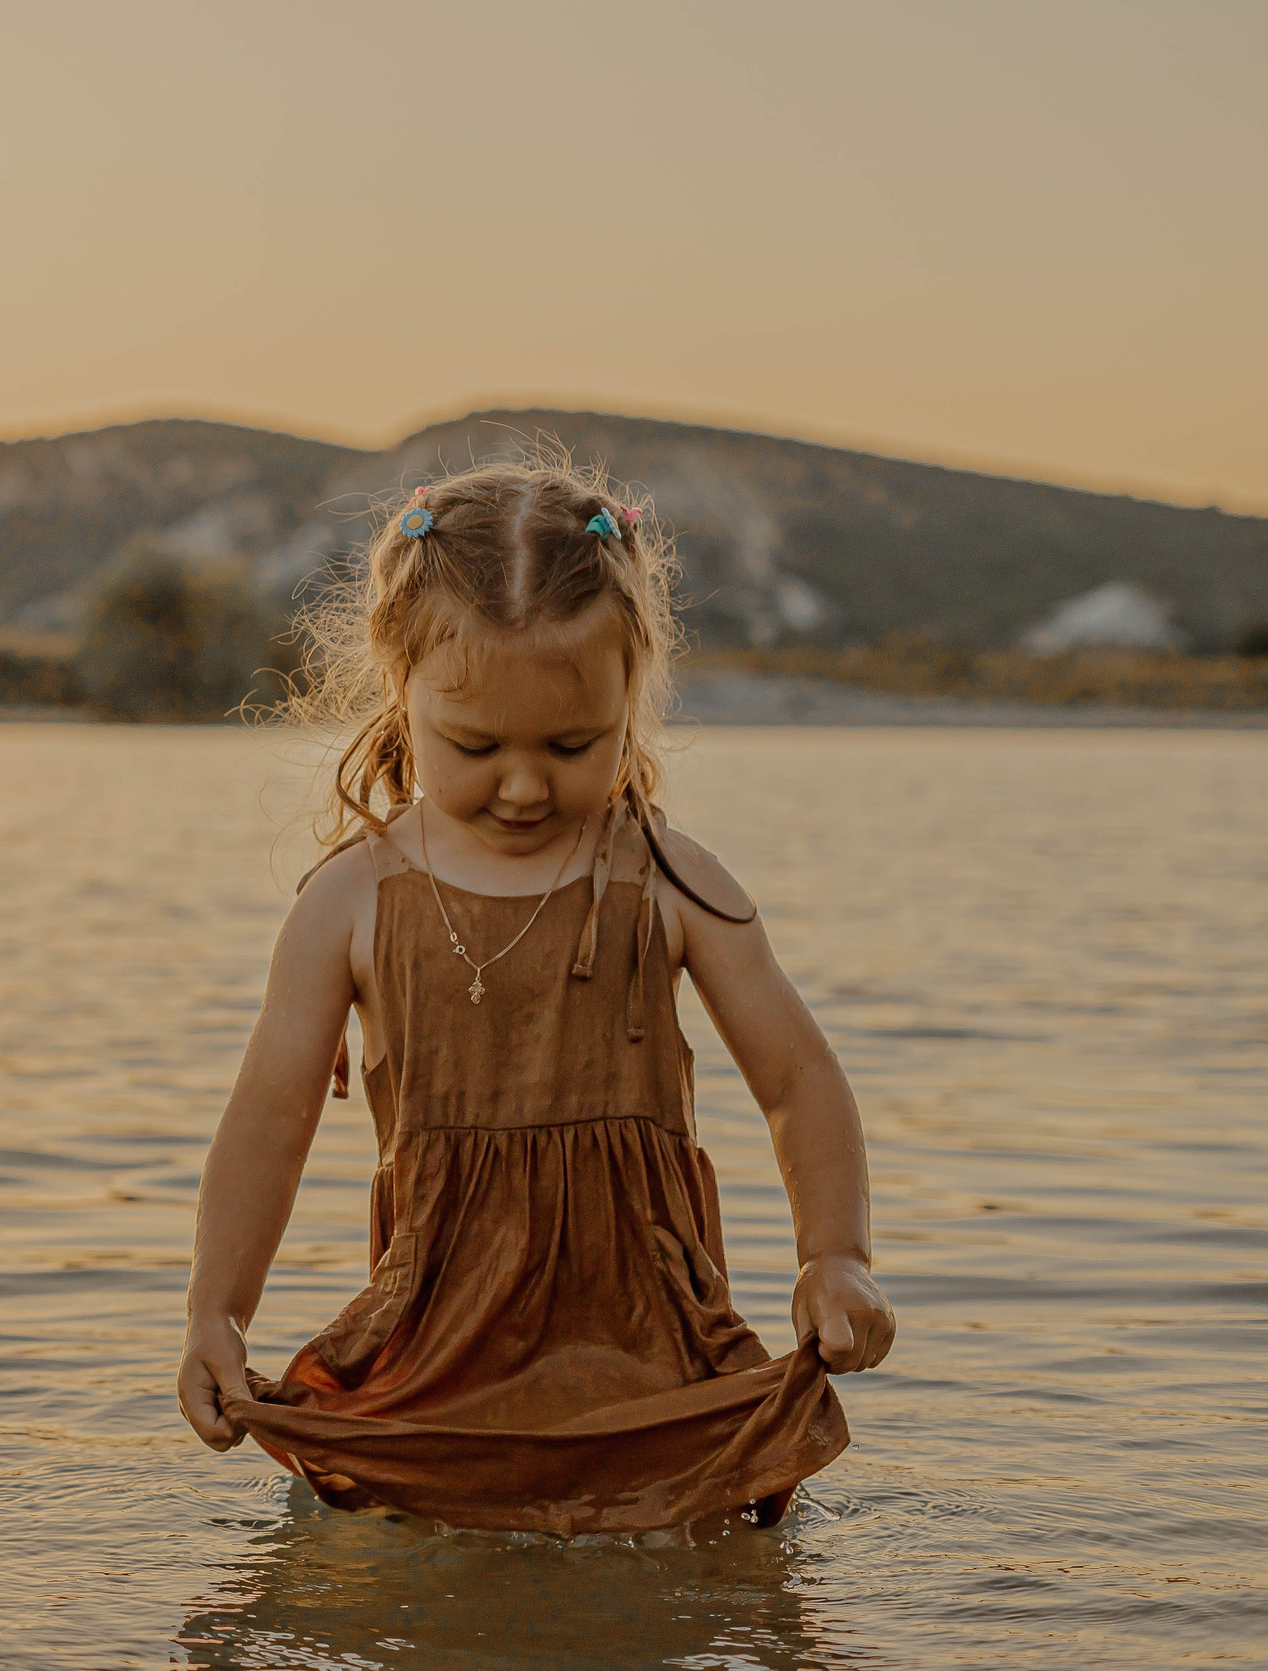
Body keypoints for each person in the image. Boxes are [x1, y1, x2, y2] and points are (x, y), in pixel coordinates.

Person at [176, 456, 895, 1536]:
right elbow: (269, 1120)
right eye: (474, 747)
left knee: (678, 1562)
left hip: (648, 1347)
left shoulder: (672, 881)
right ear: (398, 687)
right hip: (435, 1350)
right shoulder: (351, 899)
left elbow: (797, 1080)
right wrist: (214, 1312)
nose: (522, 786)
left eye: (572, 746)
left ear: (632, 692)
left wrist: (835, 1256)